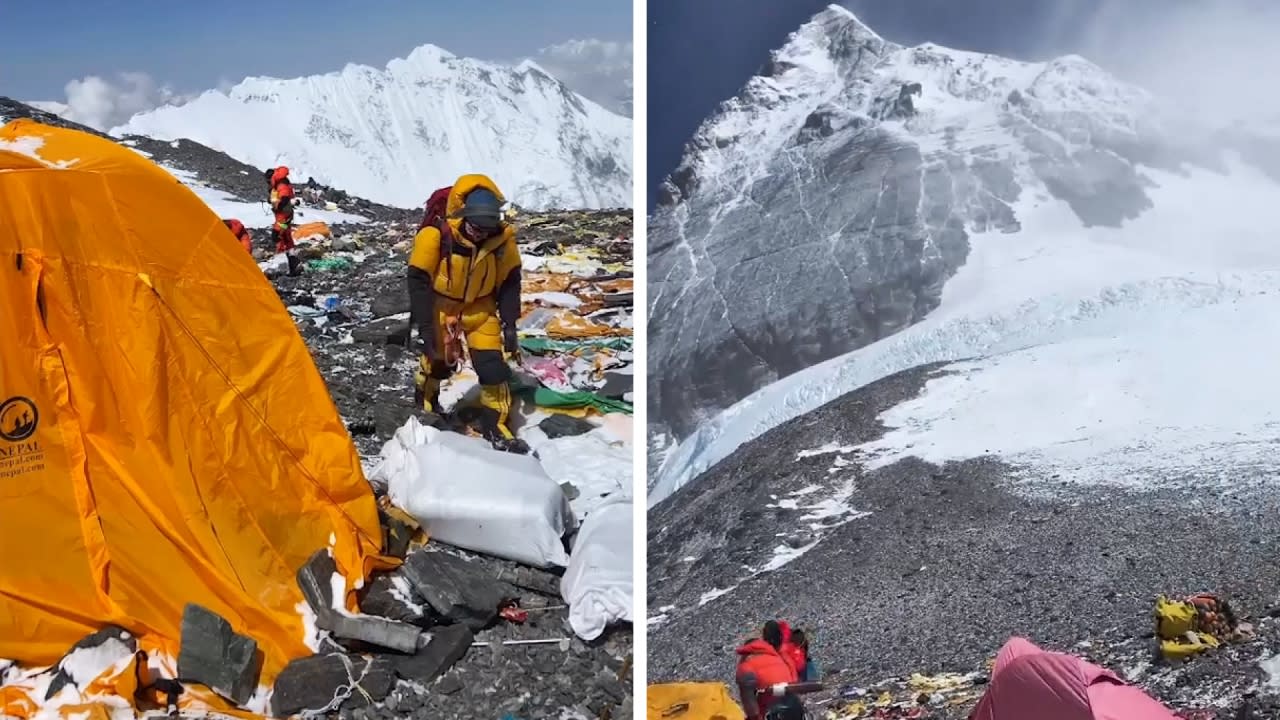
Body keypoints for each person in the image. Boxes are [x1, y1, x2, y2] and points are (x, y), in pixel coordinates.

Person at [406, 174, 524, 451]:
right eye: (475, 229)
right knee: (438, 360)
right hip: (441, 307)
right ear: (463, 216)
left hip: (479, 308)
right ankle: (427, 403)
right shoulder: (435, 236)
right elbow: (418, 281)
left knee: (492, 367)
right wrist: (424, 327)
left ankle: (497, 424)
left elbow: (510, 282)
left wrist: (510, 324)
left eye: (486, 230)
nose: (480, 235)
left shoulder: (502, 242)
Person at [736, 621, 799, 720]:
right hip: (793, 705)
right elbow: (793, 680)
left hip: (771, 712)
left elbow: (749, 703)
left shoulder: (746, 666)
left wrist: (754, 717)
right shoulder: (779, 658)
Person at [264, 166, 296, 254]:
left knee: (278, 234)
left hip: (283, 214)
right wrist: (271, 200)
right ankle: (289, 252)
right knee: (285, 233)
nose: (268, 182)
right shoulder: (279, 183)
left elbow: (284, 197)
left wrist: (278, 205)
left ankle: (282, 253)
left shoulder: (281, 184)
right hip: (283, 214)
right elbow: (278, 196)